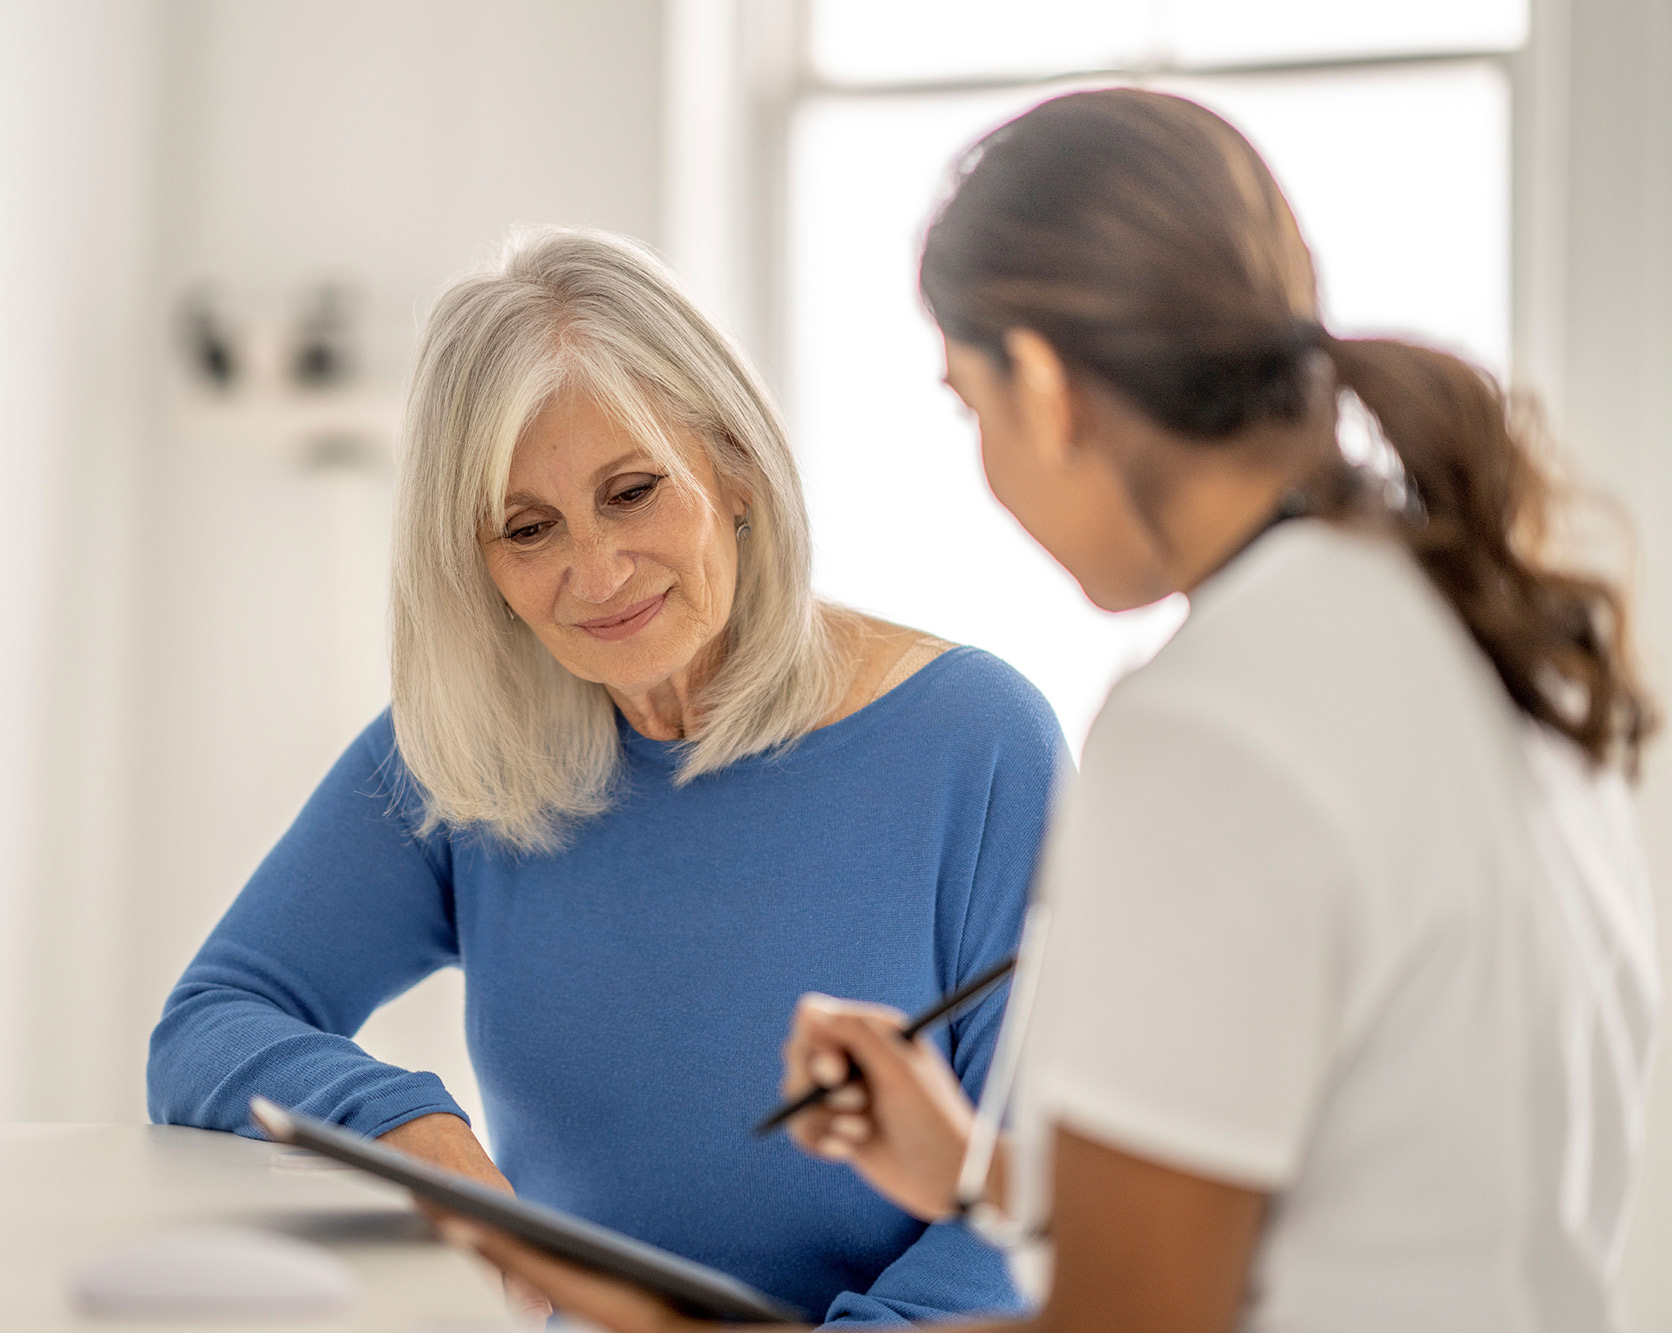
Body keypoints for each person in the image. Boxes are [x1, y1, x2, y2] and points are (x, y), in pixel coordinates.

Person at [444, 90, 1660, 1333]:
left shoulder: (1206, 727)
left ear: (1041, 384)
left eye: (968, 406)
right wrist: (977, 1171)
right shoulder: (1478, 628)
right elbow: (1366, 1205)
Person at [146, 228, 1067, 1324]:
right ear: (478, 566)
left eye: (631, 492)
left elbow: (1035, 1200)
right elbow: (209, 1022)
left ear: (730, 467)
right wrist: (403, 1125)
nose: (594, 572)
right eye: (528, 528)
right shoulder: (468, 749)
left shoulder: (977, 741)